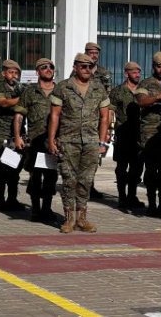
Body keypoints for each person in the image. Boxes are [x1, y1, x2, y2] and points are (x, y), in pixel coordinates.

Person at [48, 53, 110, 233]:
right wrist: (52, 139)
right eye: (83, 66)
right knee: (69, 180)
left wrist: (102, 142)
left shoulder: (99, 88)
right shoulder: (63, 87)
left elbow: (105, 117)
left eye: (90, 67)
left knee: (86, 180)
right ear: (75, 67)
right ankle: (68, 219)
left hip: (90, 141)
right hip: (68, 141)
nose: (87, 70)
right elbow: (55, 115)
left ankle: (81, 218)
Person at [14, 58, 58, 222]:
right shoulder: (30, 91)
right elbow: (19, 115)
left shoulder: (60, 90)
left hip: (53, 142)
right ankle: (35, 209)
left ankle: (46, 208)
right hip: (34, 142)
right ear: (37, 72)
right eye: (44, 67)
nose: (48, 69)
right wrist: (18, 136)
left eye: (51, 67)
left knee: (51, 176)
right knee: (35, 176)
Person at [134, 52, 161, 216]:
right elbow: (141, 101)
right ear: (153, 67)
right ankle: (151, 204)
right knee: (151, 169)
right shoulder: (146, 83)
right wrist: (159, 96)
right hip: (150, 132)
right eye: (159, 66)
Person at [109, 62, 145, 209]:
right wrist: (109, 130)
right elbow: (110, 111)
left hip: (139, 134)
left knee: (137, 167)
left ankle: (132, 196)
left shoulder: (143, 91)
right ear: (126, 73)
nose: (137, 75)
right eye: (134, 72)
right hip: (123, 133)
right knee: (122, 167)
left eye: (139, 72)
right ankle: (122, 197)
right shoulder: (118, 91)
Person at [0, 60, 24, 211]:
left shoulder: (21, 88)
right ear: (4, 73)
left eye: (16, 72)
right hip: (2, 130)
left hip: (17, 132)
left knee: (15, 167)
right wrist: (22, 100)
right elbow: (2, 102)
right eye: (11, 72)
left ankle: (12, 199)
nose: (14, 75)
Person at [83, 42, 112, 199]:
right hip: (81, 117)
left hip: (98, 117)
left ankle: (90, 185)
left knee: (95, 155)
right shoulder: (80, 70)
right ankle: (81, 186)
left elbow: (108, 96)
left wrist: (107, 126)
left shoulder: (103, 73)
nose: (93, 55)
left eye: (96, 53)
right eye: (91, 52)